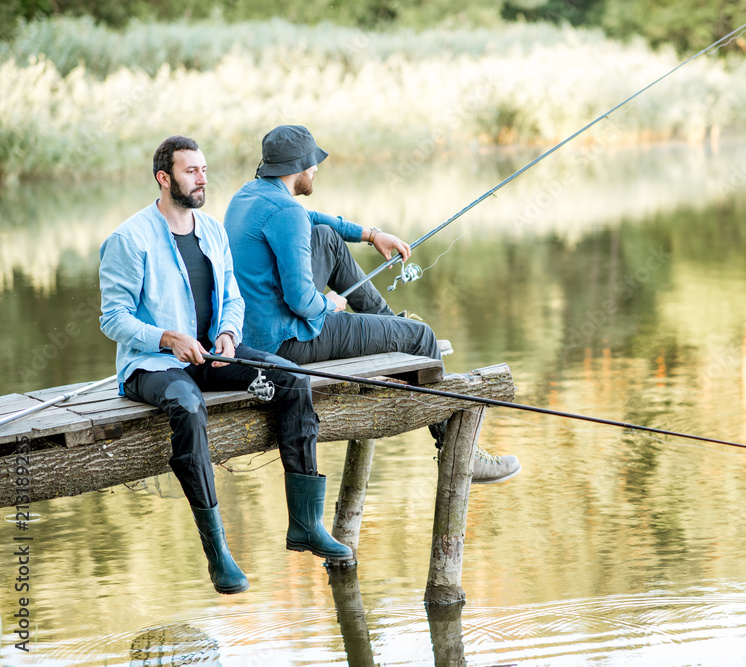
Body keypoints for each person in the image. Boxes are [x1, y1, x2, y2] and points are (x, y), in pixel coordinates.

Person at [99, 136, 354, 596]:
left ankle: (305, 524)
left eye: (204, 169)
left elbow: (232, 297)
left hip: (216, 355)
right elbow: (113, 318)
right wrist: (166, 337)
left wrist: (228, 335)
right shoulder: (128, 239)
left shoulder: (212, 231)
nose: (202, 178)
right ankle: (218, 551)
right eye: (190, 171)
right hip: (153, 366)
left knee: (293, 379)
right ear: (164, 178)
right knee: (188, 404)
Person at [224, 125, 520, 484]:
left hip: (256, 334)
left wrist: (371, 234)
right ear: (298, 166)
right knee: (422, 337)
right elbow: (302, 300)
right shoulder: (287, 213)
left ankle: (389, 325)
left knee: (327, 238)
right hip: (289, 342)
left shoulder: (248, 196)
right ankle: (462, 457)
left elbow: (314, 220)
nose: (316, 168)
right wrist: (329, 305)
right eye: (313, 162)